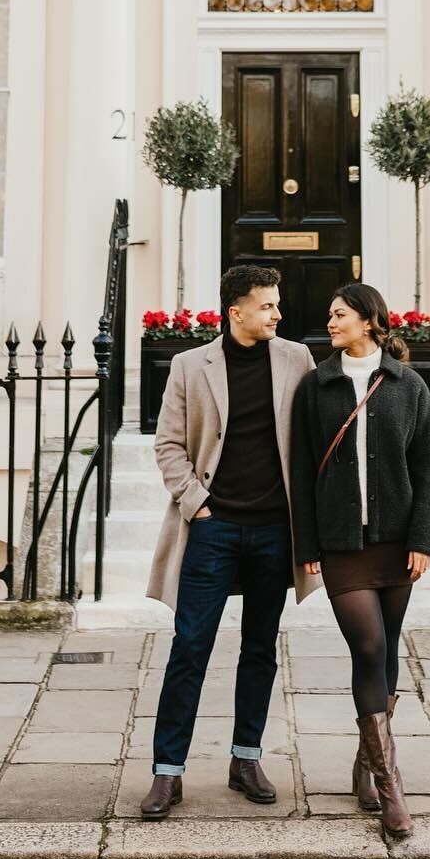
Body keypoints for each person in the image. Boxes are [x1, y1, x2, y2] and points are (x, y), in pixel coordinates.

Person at [139, 264, 318, 820]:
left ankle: (246, 759)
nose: (278, 314)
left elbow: (313, 439)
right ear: (236, 310)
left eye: (277, 304)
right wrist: (200, 505)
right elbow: (168, 445)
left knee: (260, 647)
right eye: (267, 305)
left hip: (274, 530)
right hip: (212, 528)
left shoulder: (297, 360)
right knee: (190, 646)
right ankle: (167, 772)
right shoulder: (191, 365)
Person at [290, 282, 430, 839]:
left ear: (369, 321)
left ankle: (366, 765)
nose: (330, 322)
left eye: (339, 314)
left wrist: (424, 539)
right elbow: (302, 471)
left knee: (388, 648)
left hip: (398, 542)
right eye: (330, 315)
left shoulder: (410, 386)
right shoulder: (317, 386)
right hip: (340, 546)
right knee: (370, 645)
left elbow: (428, 469)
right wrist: (306, 546)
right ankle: (391, 787)